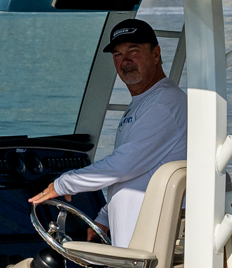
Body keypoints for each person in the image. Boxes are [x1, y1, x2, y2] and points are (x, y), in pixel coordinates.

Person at [30, 17, 182, 246]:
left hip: (150, 249)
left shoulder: (163, 103)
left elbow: (124, 165)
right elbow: (140, 172)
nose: (126, 60)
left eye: (133, 50)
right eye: (118, 54)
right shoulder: (145, 102)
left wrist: (63, 184)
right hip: (136, 245)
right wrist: (104, 217)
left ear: (156, 54)